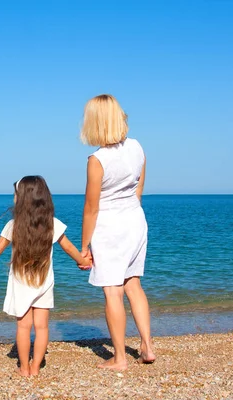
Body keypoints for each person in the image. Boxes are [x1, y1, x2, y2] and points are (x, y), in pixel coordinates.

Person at [0, 176, 91, 376]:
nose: (13, 197)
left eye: (15, 194)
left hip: (21, 283)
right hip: (44, 281)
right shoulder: (52, 224)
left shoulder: (13, 225)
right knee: (42, 327)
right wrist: (84, 261)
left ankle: (24, 367)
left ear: (23, 199)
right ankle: (36, 368)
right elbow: (70, 248)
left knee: (24, 327)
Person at [79, 94, 156, 371]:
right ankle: (147, 346)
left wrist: (84, 245)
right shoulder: (137, 147)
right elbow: (138, 190)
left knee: (113, 291)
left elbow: (91, 208)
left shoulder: (97, 159)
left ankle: (120, 357)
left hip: (110, 226)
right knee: (133, 284)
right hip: (135, 219)